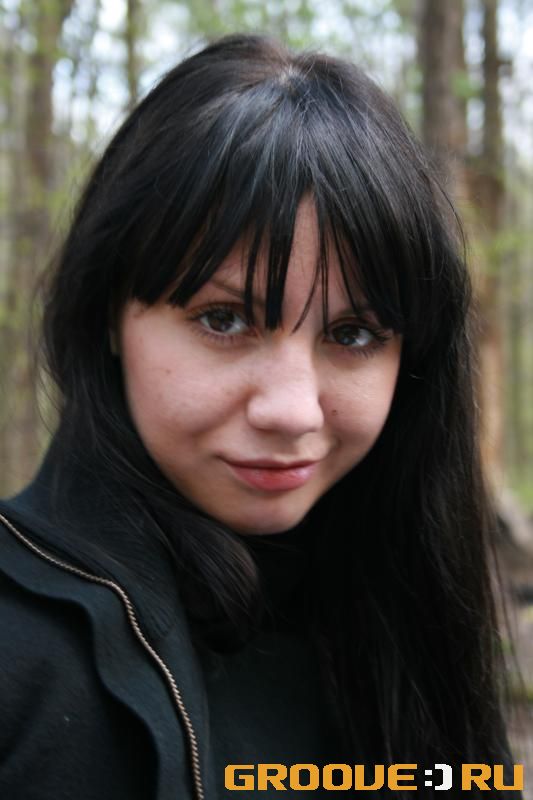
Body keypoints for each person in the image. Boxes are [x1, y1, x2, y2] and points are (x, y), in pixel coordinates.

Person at [0, 33, 523, 799]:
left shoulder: (409, 609)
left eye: (352, 334)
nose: (291, 410)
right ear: (110, 313)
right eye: (223, 319)